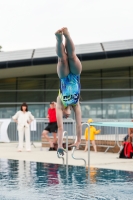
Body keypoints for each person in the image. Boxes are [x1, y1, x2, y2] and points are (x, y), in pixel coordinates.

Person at [55, 27, 82, 156]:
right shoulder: (76, 104)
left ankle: (60, 39)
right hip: (76, 75)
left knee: (63, 59)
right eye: (67, 116)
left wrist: (60, 146)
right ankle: (67, 36)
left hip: (64, 77)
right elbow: (78, 124)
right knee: (71, 56)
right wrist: (78, 140)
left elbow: (60, 128)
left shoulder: (59, 103)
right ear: (70, 110)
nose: (66, 116)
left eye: (65, 116)